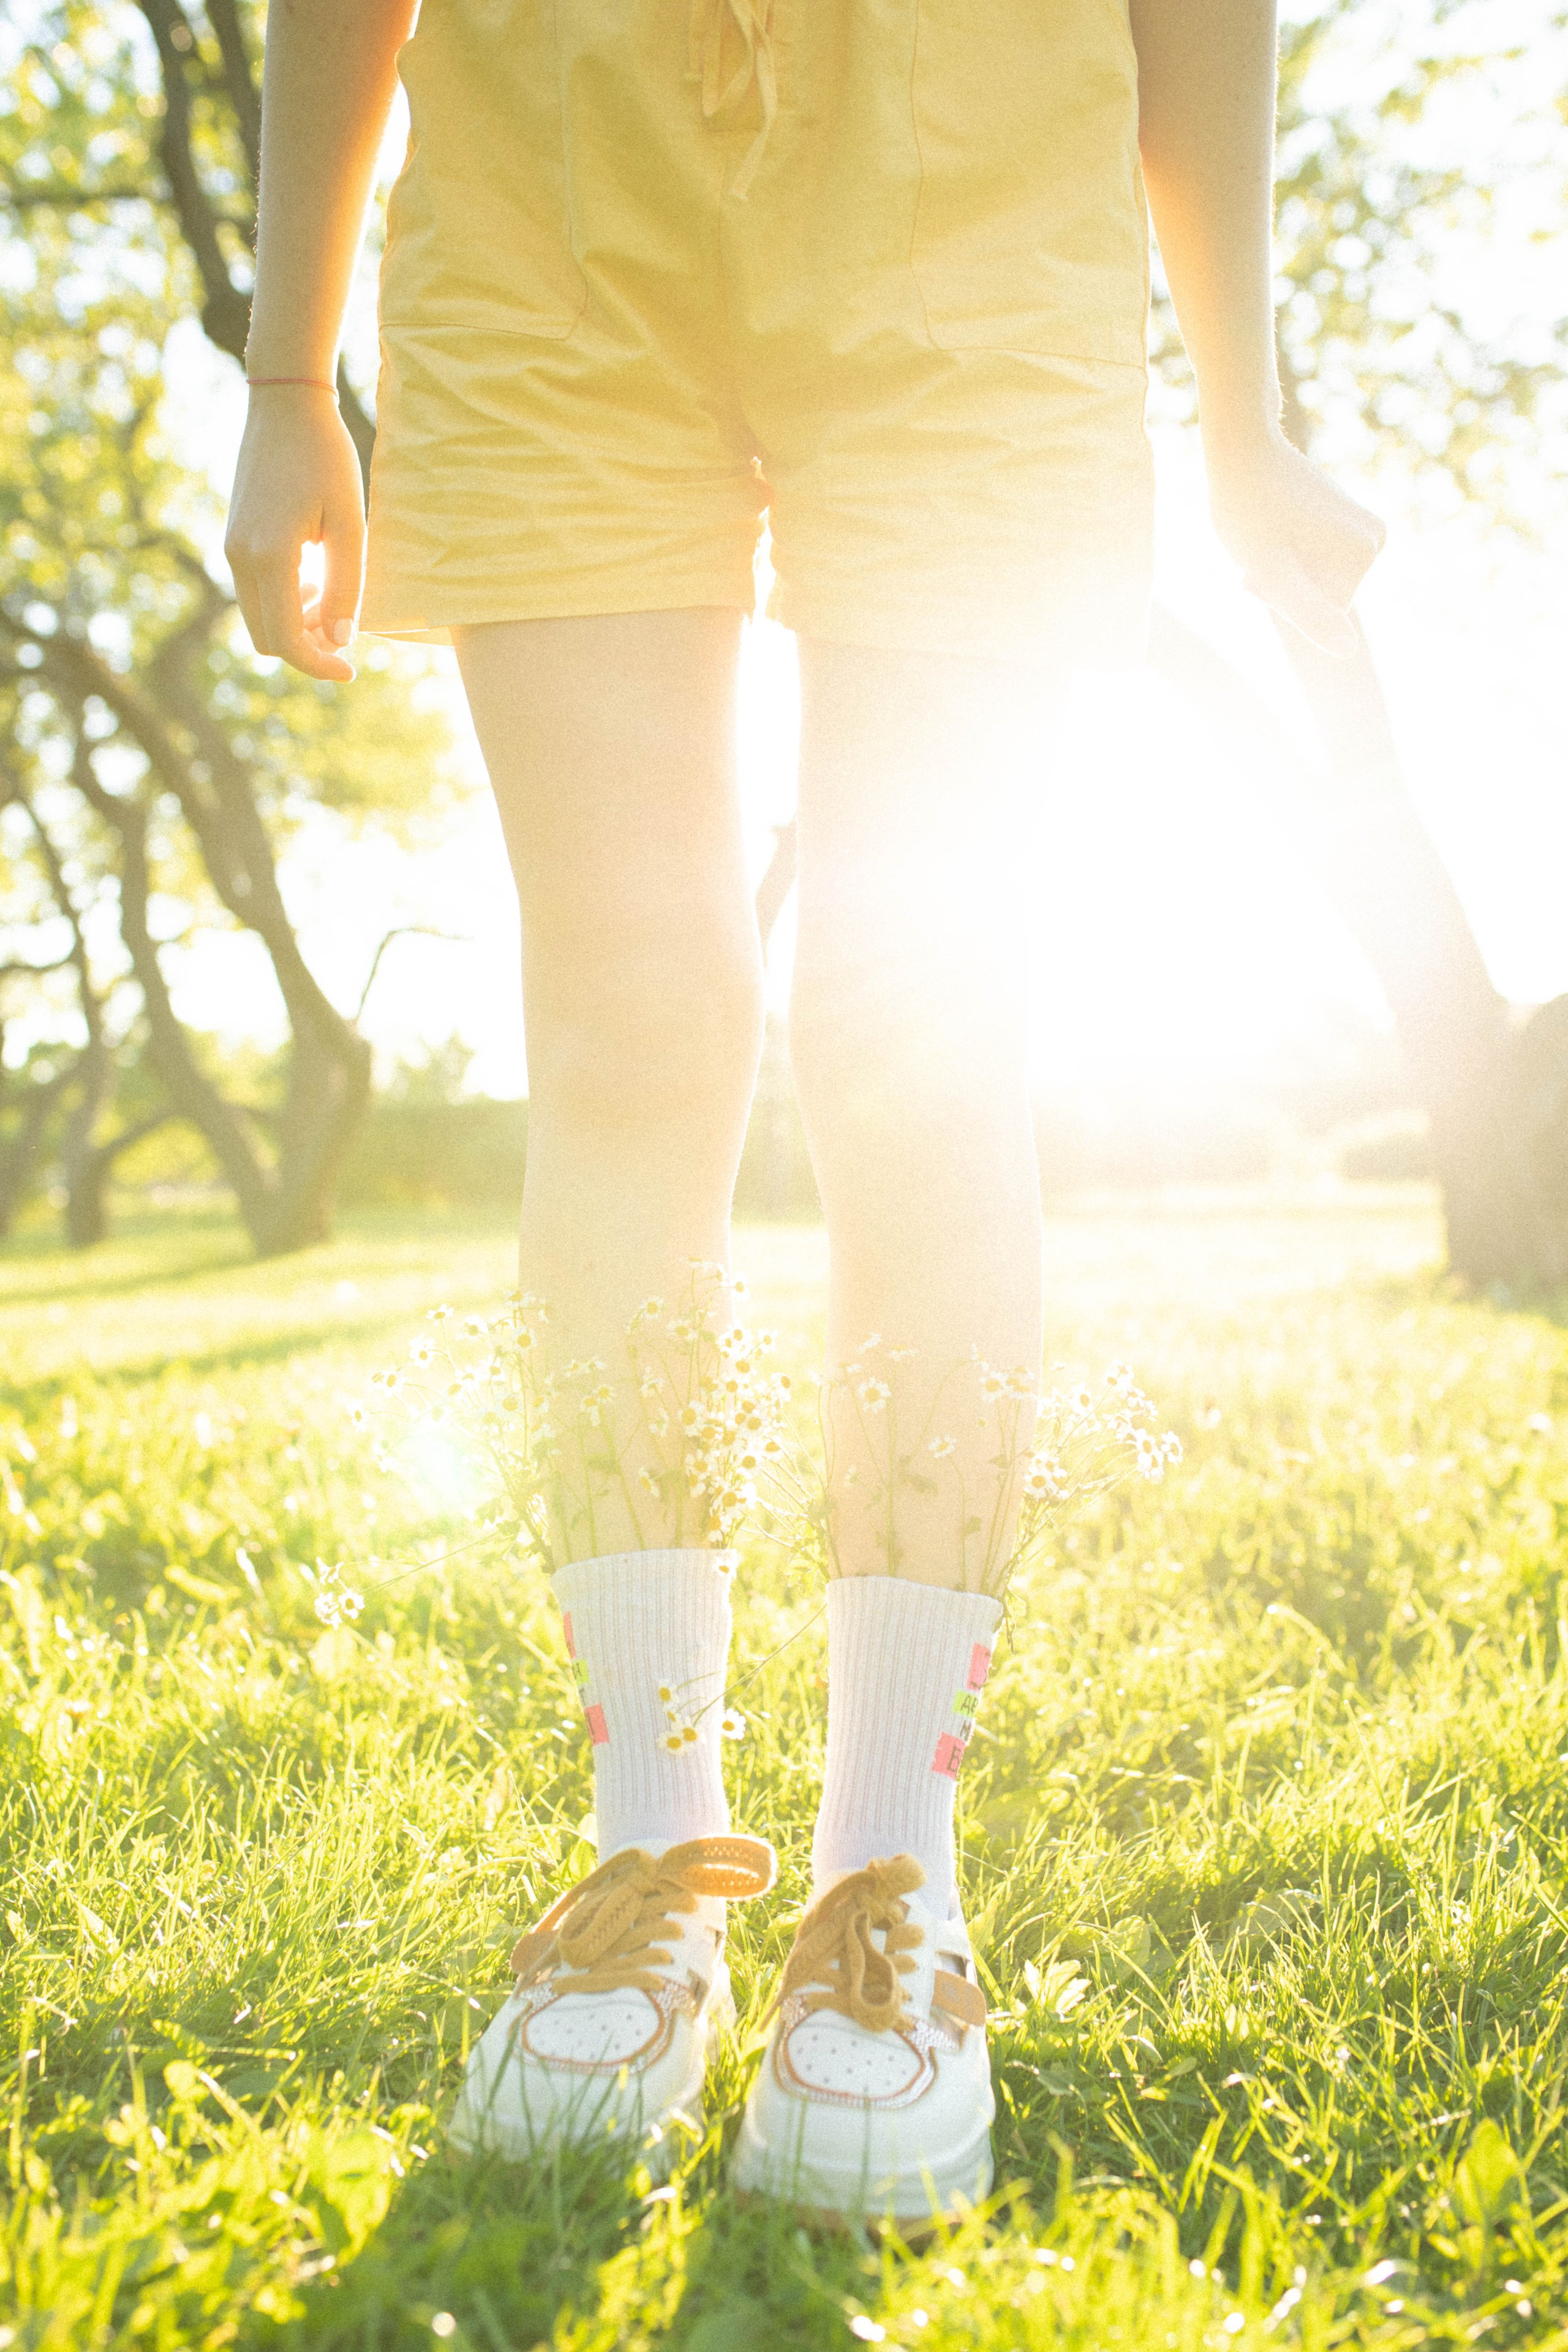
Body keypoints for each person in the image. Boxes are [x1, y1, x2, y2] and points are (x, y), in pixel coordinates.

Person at [224, 0, 1384, 2228]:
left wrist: (1246, 407)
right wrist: (287, 378)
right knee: (638, 1011)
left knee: (917, 1007)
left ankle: (890, 1878)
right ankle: (650, 1850)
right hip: (553, 173)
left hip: (979, 175)